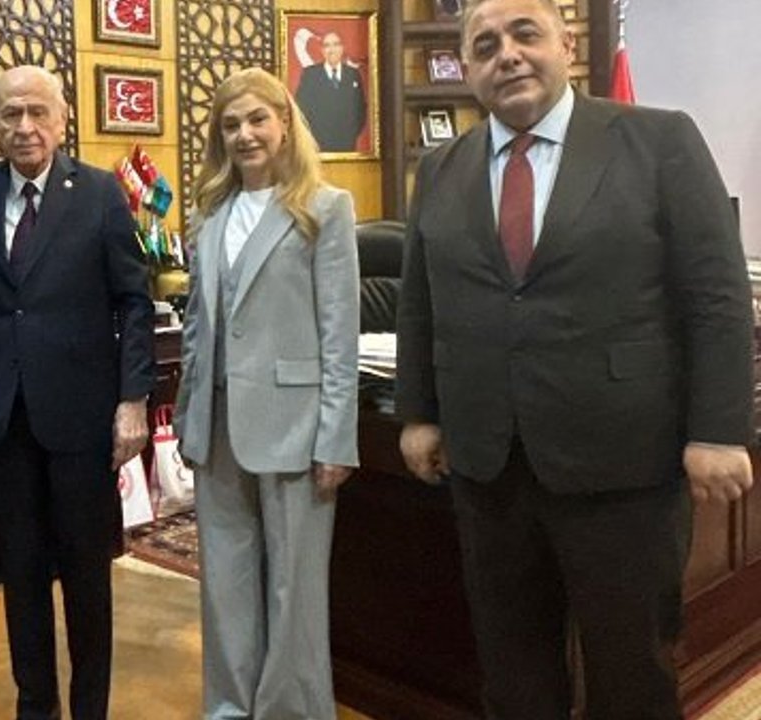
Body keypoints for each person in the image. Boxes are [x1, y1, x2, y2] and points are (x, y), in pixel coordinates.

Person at [394, 1, 755, 718]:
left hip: (625, 467)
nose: (507, 54)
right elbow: (420, 303)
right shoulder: (441, 168)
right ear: (466, 69)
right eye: (485, 45)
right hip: (490, 467)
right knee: (513, 671)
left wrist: (718, 430)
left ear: (566, 44)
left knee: (630, 672)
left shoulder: (658, 141)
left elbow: (716, 296)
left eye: (525, 33)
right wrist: (418, 414)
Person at [0, 65, 155, 720]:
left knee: (86, 576)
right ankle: (36, 706)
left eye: (38, 112)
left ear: (62, 119)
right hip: (2, 421)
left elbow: (134, 301)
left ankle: (90, 709)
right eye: (11, 114)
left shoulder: (99, 194)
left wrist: (133, 399)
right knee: (21, 574)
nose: (25, 126)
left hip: (82, 417)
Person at [174, 67, 360, 720]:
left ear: (284, 122)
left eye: (257, 119)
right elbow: (197, 330)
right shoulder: (209, 214)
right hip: (218, 423)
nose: (245, 135)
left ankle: (291, 710)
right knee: (224, 582)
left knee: (294, 588)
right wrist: (188, 421)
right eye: (231, 125)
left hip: (296, 424)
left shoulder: (324, 207)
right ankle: (229, 706)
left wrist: (336, 438)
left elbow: (339, 333)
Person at [294, 31, 368, 152]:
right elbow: (300, 109)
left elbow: (361, 109)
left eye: (335, 44)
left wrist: (350, 134)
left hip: (347, 145)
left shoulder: (353, 74)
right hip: (318, 146)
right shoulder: (310, 74)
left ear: (342, 48)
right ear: (322, 50)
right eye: (327, 45)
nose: (331, 50)